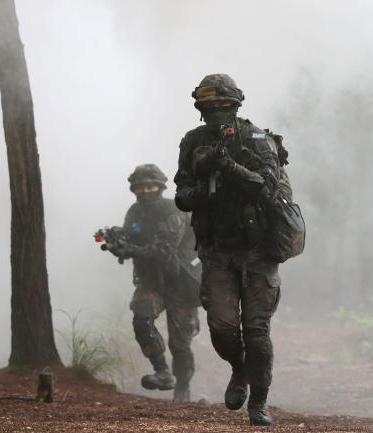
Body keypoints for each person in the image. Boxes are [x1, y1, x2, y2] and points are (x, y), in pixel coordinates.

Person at [174, 74, 293, 426]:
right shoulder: (193, 143)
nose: (215, 114)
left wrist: (229, 167)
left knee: (257, 333)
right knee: (222, 328)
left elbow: (267, 187)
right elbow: (181, 193)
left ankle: (259, 402)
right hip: (218, 250)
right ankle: (239, 369)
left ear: (235, 105)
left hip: (258, 250)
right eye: (208, 108)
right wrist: (205, 186)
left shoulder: (257, 139)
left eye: (222, 107)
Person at [102, 163, 201, 402]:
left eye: (150, 186)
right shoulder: (134, 212)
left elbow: (164, 249)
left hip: (180, 282)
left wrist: (131, 248)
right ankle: (162, 372)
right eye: (140, 187)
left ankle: (183, 388)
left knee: (180, 344)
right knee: (142, 320)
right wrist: (118, 244)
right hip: (150, 281)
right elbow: (128, 238)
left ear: (160, 187)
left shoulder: (174, 210)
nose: (145, 191)